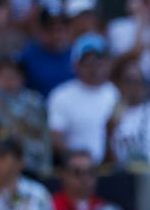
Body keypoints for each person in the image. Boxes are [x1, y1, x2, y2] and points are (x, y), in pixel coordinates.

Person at [46, 32, 119, 164]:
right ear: (76, 65)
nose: (95, 66)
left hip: (111, 169)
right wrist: (81, 161)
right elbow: (55, 138)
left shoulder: (115, 93)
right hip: (77, 172)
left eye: (100, 60)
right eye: (88, 61)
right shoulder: (62, 95)